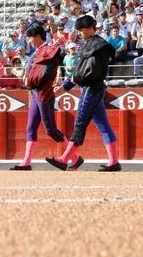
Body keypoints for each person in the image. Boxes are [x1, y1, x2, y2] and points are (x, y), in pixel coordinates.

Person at [47, 15, 119, 172]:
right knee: (104, 126)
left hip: (92, 89)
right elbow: (81, 71)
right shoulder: (91, 44)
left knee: (80, 123)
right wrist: (65, 86)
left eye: (81, 30)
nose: (79, 33)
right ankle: (114, 162)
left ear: (89, 28)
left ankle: (65, 158)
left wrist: (66, 85)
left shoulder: (99, 46)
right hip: (91, 89)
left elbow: (88, 72)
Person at [11, 25, 68, 171]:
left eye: (30, 37)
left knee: (51, 130)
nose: (28, 41)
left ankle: (72, 156)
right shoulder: (37, 52)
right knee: (31, 128)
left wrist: (31, 81)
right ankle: (26, 161)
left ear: (37, 36)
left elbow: (47, 73)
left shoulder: (49, 50)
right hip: (35, 93)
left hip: (44, 92)